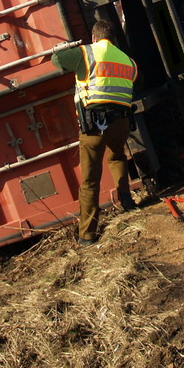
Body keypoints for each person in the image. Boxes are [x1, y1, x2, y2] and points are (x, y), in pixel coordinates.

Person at [52, 18, 139, 246]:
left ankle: (87, 235)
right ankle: (127, 202)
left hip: (94, 126)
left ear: (94, 38)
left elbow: (56, 60)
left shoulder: (86, 52)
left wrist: (70, 48)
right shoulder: (129, 62)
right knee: (118, 156)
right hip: (121, 123)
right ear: (112, 38)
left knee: (90, 181)